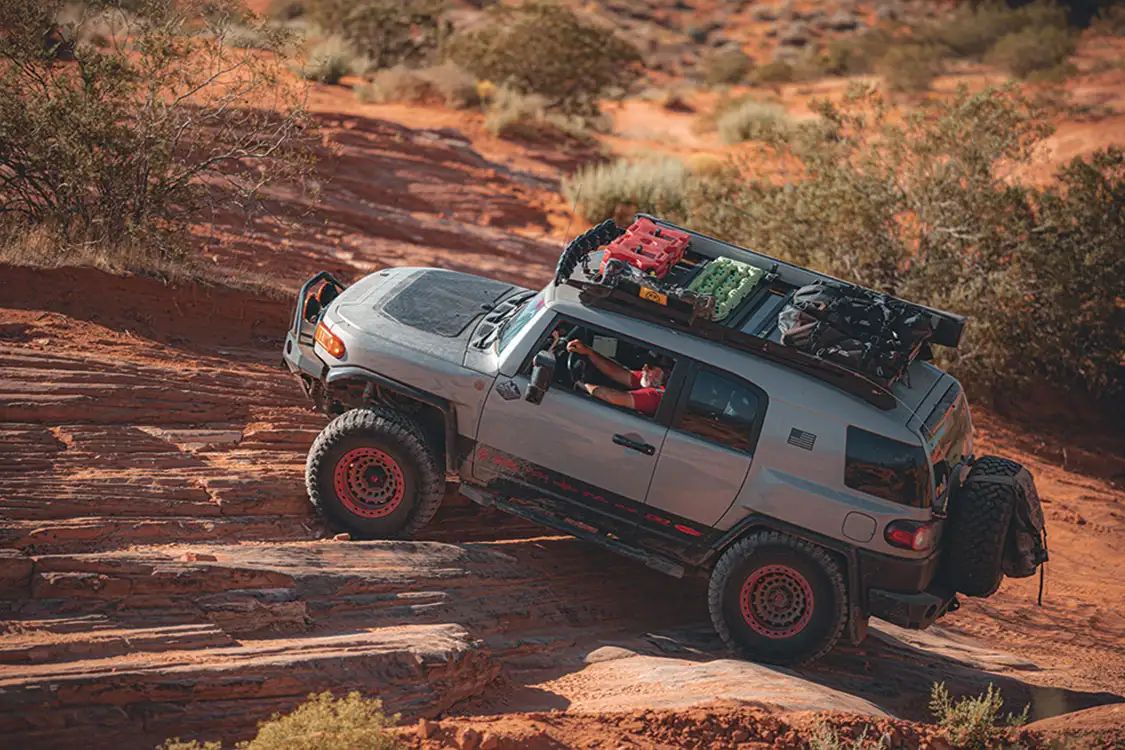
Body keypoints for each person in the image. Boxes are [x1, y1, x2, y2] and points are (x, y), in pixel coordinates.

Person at [566, 339, 666, 417]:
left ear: (666, 374)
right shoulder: (653, 379)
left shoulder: (657, 396)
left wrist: (582, 385)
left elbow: (611, 397)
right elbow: (617, 373)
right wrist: (589, 353)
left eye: (651, 367)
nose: (644, 368)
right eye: (646, 365)